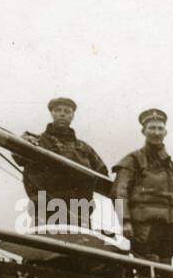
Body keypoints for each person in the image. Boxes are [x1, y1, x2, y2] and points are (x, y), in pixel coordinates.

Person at [15, 96, 108, 227]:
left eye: (67, 111)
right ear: (52, 113)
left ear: (72, 115)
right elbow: (18, 156)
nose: (62, 114)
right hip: (45, 210)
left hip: (80, 212)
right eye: (58, 110)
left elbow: (103, 178)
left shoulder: (84, 149)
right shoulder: (36, 141)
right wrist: (23, 143)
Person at [112, 108, 173, 264]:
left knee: (166, 269)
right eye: (152, 128)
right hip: (145, 226)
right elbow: (119, 191)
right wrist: (124, 220)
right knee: (147, 268)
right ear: (143, 131)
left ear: (165, 132)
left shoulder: (170, 165)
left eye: (160, 128)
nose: (156, 132)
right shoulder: (133, 159)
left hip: (169, 228)